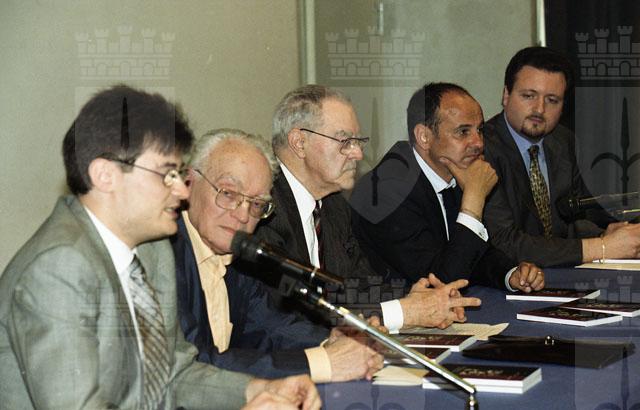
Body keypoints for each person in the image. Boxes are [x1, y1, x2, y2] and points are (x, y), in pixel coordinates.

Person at [0, 85, 320, 410]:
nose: (182, 190)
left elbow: (174, 376)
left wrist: (257, 390)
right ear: (105, 175)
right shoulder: (59, 267)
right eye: (167, 174)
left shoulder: (153, 252)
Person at [253, 84, 482, 333]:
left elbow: (357, 285)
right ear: (299, 142)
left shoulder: (334, 205)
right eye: (345, 141)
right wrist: (400, 312)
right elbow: (289, 314)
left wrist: (414, 298)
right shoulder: (262, 208)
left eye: (358, 142)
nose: (358, 154)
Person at [173, 128, 383, 382]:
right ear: (189, 182)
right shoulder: (163, 257)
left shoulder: (239, 255)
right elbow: (193, 364)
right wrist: (322, 362)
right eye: (228, 194)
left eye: (256, 204)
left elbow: (269, 326)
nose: (242, 215)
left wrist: (330, 341)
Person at [351, 82, 544, 294]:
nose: (479, 143)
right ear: (424, 136)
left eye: (480, 130)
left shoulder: (451, 170)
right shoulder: (386, 191)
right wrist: (473, 200)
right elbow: (441, 283)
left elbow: (473, 253)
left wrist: (511, 274)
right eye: (463, 132)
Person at [483, 46, 640, 267]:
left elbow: (567, 224)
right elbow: (503, 241)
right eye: (529, 96)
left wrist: (604, 234)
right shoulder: (481, 148)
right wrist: (602, 246)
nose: (539, 109)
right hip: (506, 278)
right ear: (506, 95)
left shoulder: (564, 141)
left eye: (552, 100)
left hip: (559, 273)